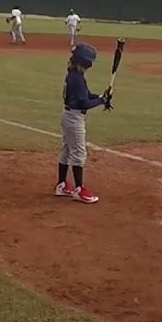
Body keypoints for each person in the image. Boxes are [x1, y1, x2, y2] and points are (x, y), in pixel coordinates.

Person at [56, 43, 113, 204]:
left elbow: (86, 96)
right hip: (74, 118)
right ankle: (79, 190)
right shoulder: (77, 79)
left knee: (67, 150)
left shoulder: (73, 75)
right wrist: (101, 101)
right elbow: (83, 103)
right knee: (78, 153)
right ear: (84, 61)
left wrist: (101, 97)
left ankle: (61, 185)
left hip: (68, 115)